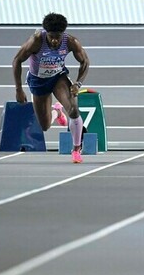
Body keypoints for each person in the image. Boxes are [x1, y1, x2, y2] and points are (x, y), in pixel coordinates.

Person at [13, 13, 90, 163]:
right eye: (51, 37)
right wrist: (19, 89)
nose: (54, 40)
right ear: (46, 33)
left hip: (58, 77)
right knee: (45, 125)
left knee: (73, 110)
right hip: (38, 80)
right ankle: (57, 112)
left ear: (63, 34)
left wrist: (77, 84)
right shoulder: (36, 40)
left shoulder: (71, 42)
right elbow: (17, 60)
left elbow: (85, 62)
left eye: (58, 37)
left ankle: (76, 150)